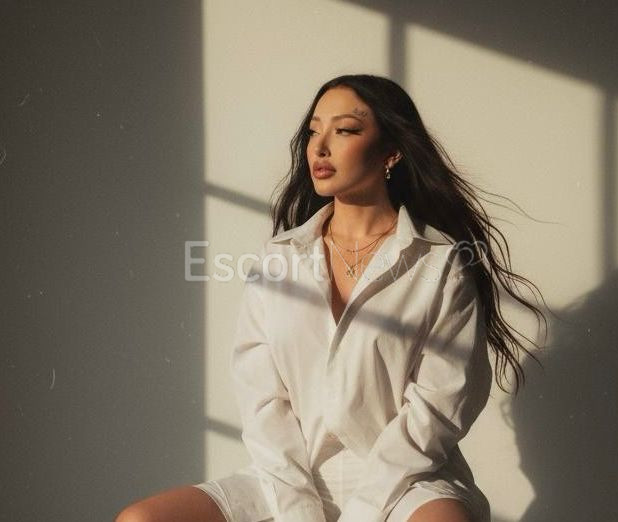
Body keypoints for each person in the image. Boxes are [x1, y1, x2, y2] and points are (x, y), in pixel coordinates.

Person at [115, 74, 546, 522]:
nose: (319, 147)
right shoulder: (278, 260)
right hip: (289, 475)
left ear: (391, 152)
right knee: (141, 520)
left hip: (405, 480)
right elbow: (262, 401)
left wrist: (362, 513)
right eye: (313, 131)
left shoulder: (440, 265)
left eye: (344, 130)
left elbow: (439, 407)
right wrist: (300, 511)